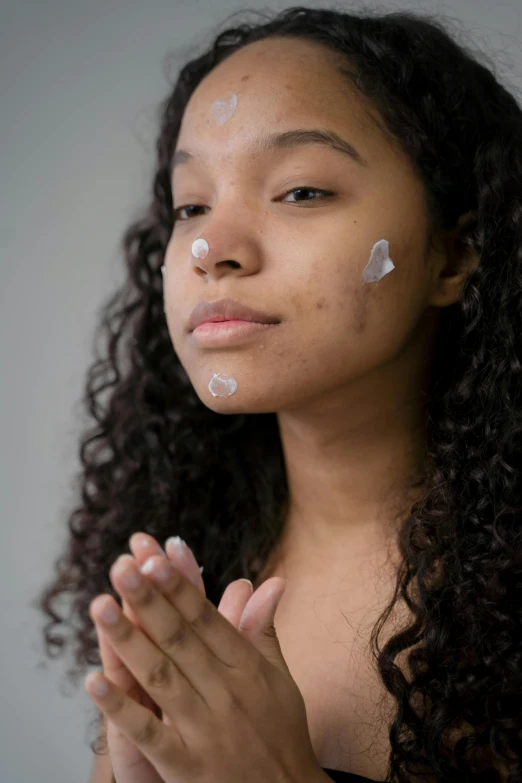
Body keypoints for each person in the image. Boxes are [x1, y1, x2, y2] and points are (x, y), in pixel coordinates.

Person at [36, 4, 522, 781]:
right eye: (190, 204)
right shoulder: (182, 563)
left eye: (299, 191)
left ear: (454, 252)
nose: (209, 248)